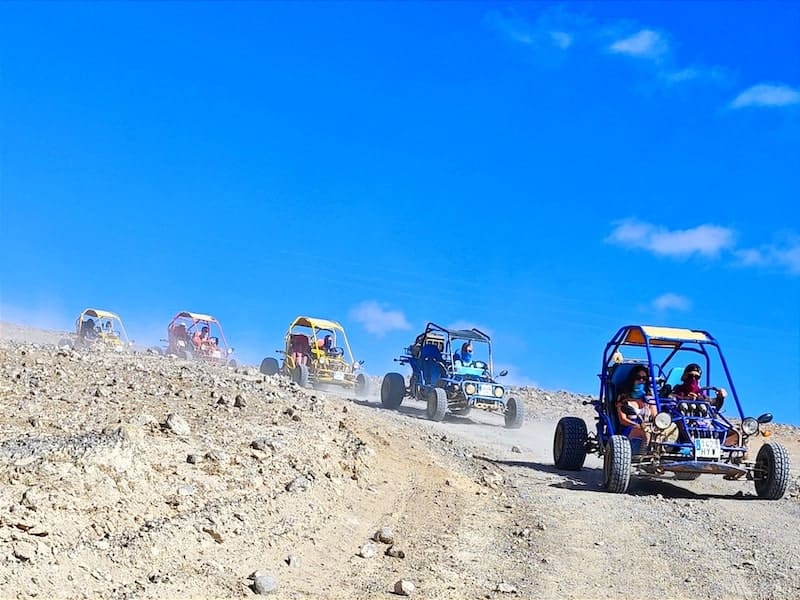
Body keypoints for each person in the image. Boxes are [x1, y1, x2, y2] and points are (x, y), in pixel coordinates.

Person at [616, 366, 656, 452]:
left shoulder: (648, 398)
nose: (641, 381)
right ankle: (642, 456)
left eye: (644, 378)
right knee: (645, 432)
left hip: (648, 426)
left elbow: (655, 416)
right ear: (632, 379)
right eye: (638, 378)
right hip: (630, 428)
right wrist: (638, 426)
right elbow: (622, 420)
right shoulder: (623, 397)